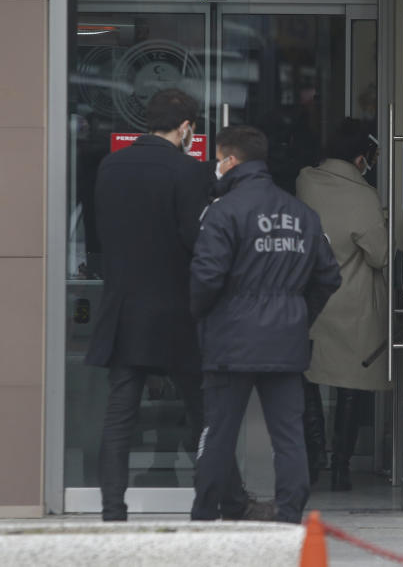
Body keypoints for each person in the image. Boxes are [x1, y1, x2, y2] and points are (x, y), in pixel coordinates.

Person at [85, 88, 250, 521]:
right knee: (203, 413)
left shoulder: (109, 166)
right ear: (185, 128)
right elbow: (198, 243)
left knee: (120, 415)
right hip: (177, 310)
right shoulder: (188, 173)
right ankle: (227, 501)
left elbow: (97, 239)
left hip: (123, 308)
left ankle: (112, 511)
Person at [189, 125, 341, 523]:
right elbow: (329, 275)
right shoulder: (302, 214)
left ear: (231, 161)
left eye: (218, 158)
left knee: (218, 434)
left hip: (231, 339)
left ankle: (205, 514)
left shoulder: (223, 212)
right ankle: (290, 514)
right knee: (288, 436)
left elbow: (206, 278)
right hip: (285, 339)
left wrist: (203, 316)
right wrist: (298, 313)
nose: (215, 166)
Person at [296, 121, 389, 491]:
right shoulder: (364, 196)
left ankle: (315, 453)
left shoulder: (305, 182)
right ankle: (341, 466)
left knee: (307, 379)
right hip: (351, 303)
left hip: (309, 300)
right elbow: (380, 256)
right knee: (351, 385)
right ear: (361, 157)